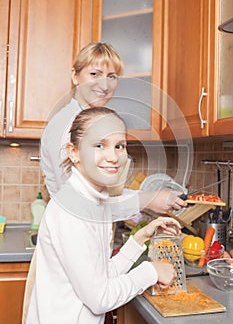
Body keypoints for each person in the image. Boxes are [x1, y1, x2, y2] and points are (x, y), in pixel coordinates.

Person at [27, 107, 180, 323]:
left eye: (119, 146)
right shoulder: (73, 210)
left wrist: (139, 239)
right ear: (74, 152)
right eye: (99, 145)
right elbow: (100, 298)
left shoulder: (94, 201)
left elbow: (101, 275)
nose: (113, 157)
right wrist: (151, 271)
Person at [40, 42, 187, 213]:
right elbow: (80, 200)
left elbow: (97, 195)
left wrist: (151, 197)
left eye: (112, 76)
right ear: (75, 76)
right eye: (95, 74)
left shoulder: (90, 121)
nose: (104, 86)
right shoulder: (67, 125)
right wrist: (149, 200)